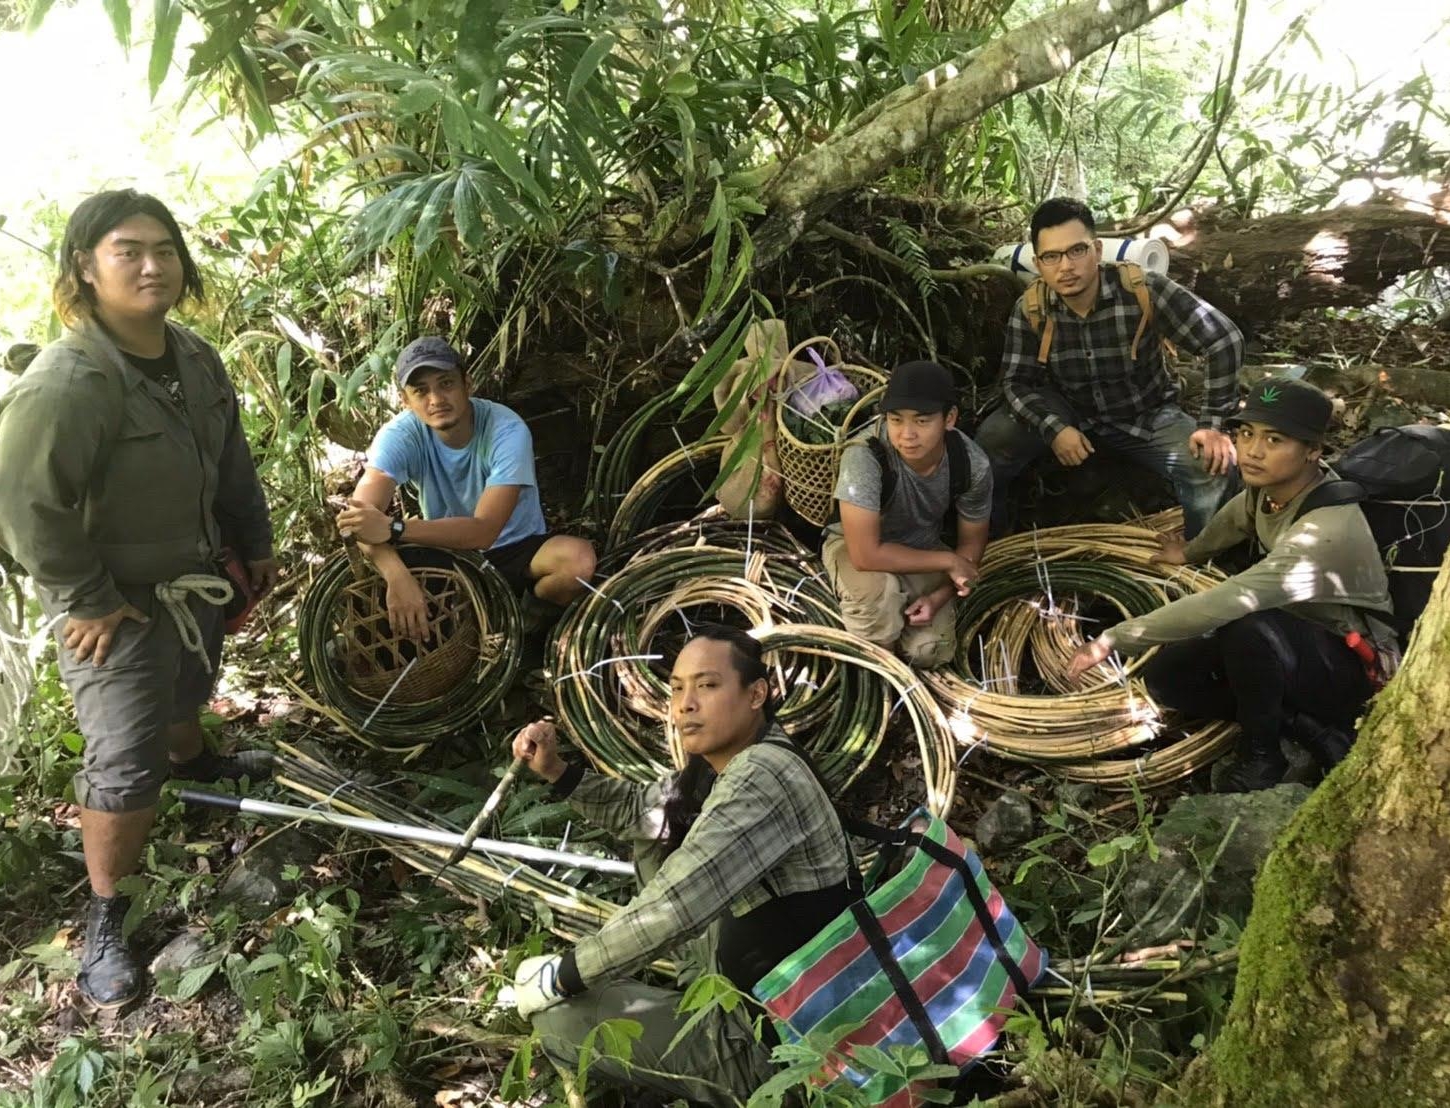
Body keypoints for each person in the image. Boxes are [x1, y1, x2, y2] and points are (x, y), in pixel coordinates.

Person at [0, 189, 278, 1008]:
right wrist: (85, 598)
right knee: (121, 760)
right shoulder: (71, 381)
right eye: (127, 251)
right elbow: (15, 501)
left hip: (193, 575)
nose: (153, 266)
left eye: (165, 249)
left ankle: (197, 759)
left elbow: (231, 462)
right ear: (85, 265)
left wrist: (253, 547)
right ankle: (107, 914)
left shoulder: (192, 358)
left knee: (191, 685)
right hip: (112, 600)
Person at [509, 625, 855, 1105]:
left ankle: (725, 1070)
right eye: (677, 688)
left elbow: (670, 910)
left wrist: (560, 977)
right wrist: (556, 772)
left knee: (559, 1021)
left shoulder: (761, 777)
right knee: (659, 831)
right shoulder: (733, 764)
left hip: (777, 1048)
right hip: (754, 986)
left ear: (757, 693)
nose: (685, 704)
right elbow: (639, 812)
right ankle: (690, 998)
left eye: (708, 685)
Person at [1065, 377, 1397, 791]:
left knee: (1244, 625)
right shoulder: (1270, 489)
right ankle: (1309, 730)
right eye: (1245, 433)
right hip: (1290, 643)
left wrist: (1115, 639)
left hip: (1351, 665)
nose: (1253, 451)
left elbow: (1231, 599)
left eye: (1275, 439)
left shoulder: (1324, 531)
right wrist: (1189, 553)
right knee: (1168, 677)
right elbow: (1236, 518)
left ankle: (1263, 757)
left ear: (1314, 450)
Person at [976, 197, 1244, 539]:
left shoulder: (1142, 290)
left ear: (1098, 250)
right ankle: (990, 547)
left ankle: (1200, 559)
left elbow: (1223, 339)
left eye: (1077, 251)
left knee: (1212, 466)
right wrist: (1054, 428)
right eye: (1051, 257)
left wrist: (1213, 426)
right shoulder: (1031, 308)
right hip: (1073, 413)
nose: (1066, 267)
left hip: (1147, 415)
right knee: (990, 443)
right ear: (1038, 263)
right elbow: (1016, 382)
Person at [335, 336, 596, 640]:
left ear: (467, 384)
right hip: (448, 551)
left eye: (446, 384)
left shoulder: (506, 430)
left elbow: (483, 531)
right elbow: (358, 520)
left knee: (576, 561)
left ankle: (526, 630)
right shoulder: (400, 436)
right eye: (421, 391)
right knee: (369, 611)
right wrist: (396, 574)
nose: (436, 400)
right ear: (405, 401)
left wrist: (393, 528)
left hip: (516, 547)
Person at [823, 360, 992, 669]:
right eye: (896, 420)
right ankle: (879, 671)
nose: (906, 434)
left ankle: (896, 637)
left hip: (920, 547)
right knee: (880, 597)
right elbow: (864, 554)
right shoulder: (865, 455)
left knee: (929, 650)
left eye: (922, 421)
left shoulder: (970, 464)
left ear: (949, 418)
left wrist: (940, 596)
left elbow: (972, 545)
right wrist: (948, 561)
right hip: (854, 547)